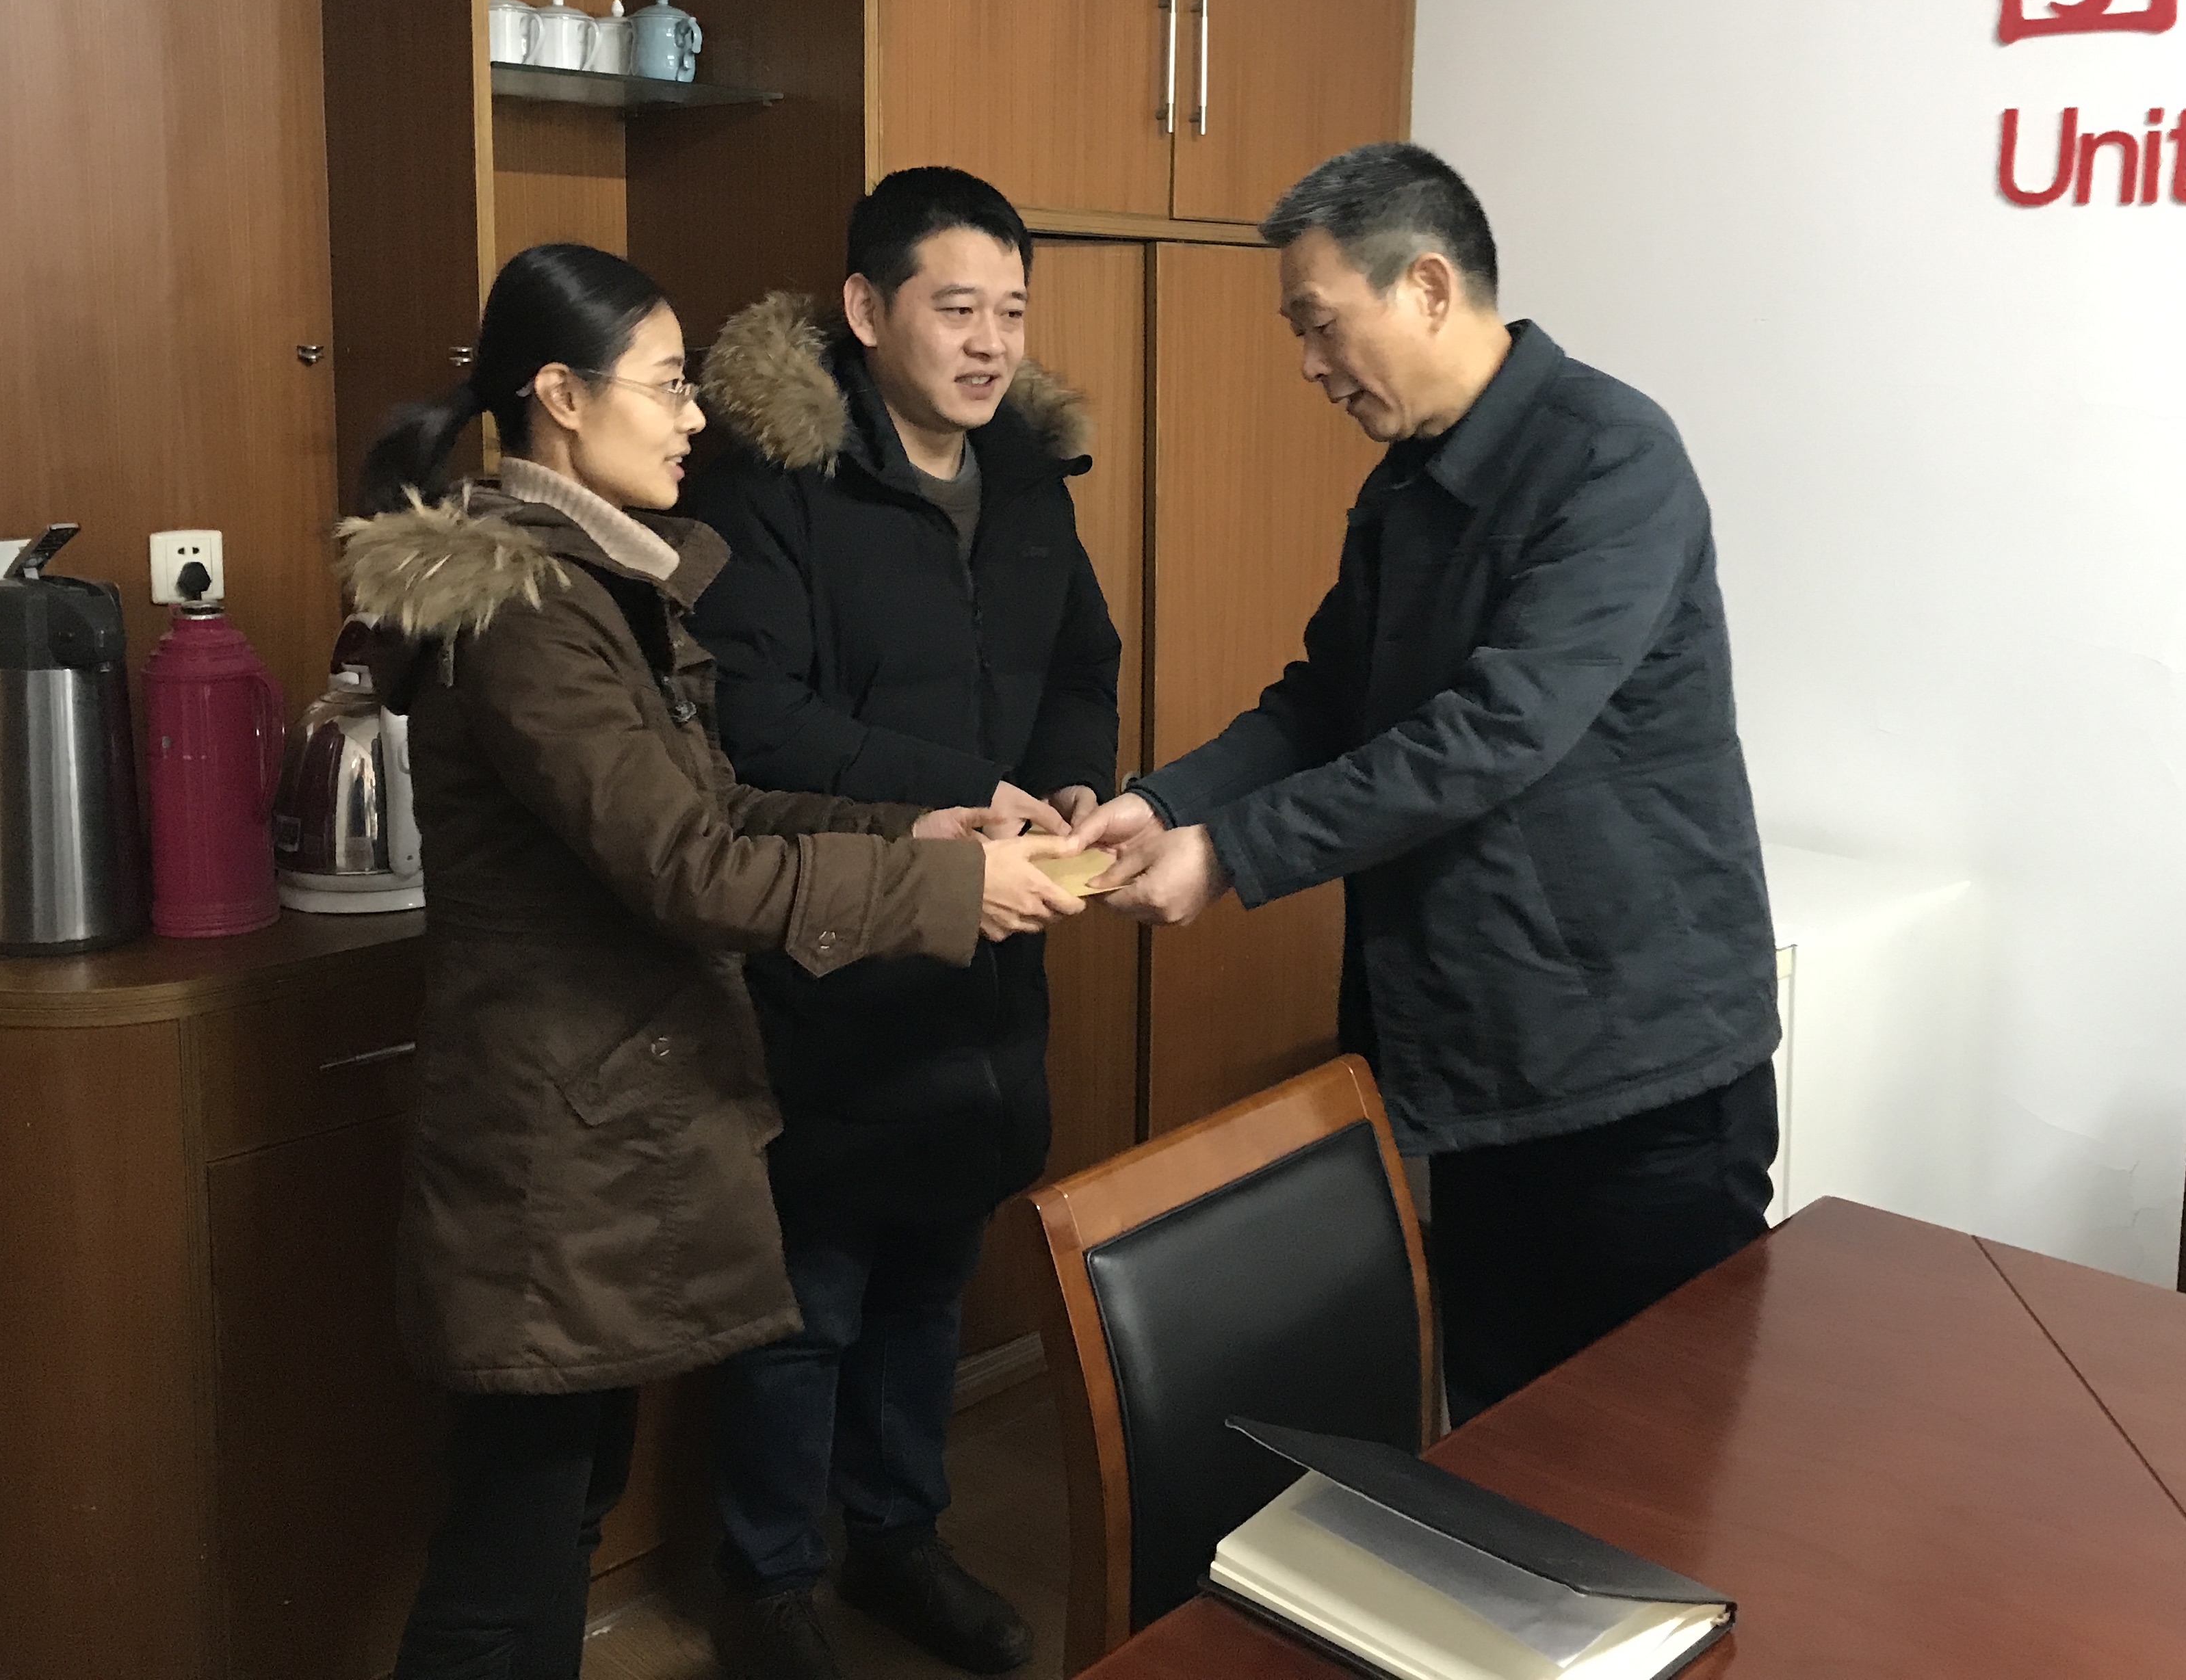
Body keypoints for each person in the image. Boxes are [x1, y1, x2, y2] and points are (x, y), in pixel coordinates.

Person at [339, 241, 1083, 1680]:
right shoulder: (527, 612)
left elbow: (720, 807)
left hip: (595, 1140)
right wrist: (944, 888)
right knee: (512, 1552)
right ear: (561, 396)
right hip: (551, 1156)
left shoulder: (595, 582)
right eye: (670, 386)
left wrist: (916, 827)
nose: (695, 419)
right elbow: (691, 870)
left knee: (556, 1513)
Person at [1070, 143, 1781, 1420]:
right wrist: (1168, 802)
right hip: (1478, 1057)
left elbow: (1495, 734)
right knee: (1502, 1430)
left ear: (1431, 287)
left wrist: (1230, 854)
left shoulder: (1612, 458)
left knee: (1659, 1461)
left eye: (1320, 322)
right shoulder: (1406, 487)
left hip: (1637, 1068)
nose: (1310, 363)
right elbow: (1325, 701)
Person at [682, 168, 1121, 1680]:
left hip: (993, 945)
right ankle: (769, 1583)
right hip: (835, 942)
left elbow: (1083, 660)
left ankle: (897, 1541)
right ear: (868, 311)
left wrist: (1071, 782)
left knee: (934, 1275)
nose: (991, 344)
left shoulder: (1031, 481)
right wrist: (963, 793)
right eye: (958, 309)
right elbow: (753, 717)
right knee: (809, 1297)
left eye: (1012, 312)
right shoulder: (772, 486)